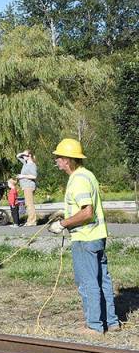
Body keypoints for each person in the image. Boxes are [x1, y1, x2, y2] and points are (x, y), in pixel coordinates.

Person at [47, 137, 120, 336]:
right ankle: (111, 322)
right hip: (97, 236)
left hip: (85, 238)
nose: (57, 161)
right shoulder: (87, 175)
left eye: (59, 157)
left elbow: (87, 212)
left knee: (88, 282)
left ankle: (95, 326)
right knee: (102, 280)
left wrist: (62, 224)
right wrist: (66, 215)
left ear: (68, 160)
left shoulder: (77, 180)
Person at [16, 150, 39, 226]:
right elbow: (17, 156)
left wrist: (23, 176)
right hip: (25, 186)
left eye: (25, 155)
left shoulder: (32, 164)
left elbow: (34, 176)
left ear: (29, 156)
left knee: (29, 204)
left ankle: (32, 221)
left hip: (29, 186)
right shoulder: (25, 163)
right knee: (28, 204)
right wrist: (23, 153)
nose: (23, 156)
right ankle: (30, 220)